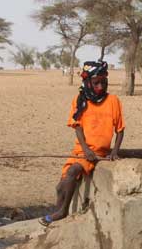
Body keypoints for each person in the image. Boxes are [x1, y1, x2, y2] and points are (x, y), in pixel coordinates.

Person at [43, 60, 124, 225]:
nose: (100, 86)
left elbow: (120, 130)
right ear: (88, 83)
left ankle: (63, 212)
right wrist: (86, 149)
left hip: (97, 153)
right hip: (82, 151)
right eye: (96, 83)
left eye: (103, 82)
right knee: (60, 186)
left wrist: (114, 152)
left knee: (73, 172)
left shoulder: (113, 101)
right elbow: (77, 127)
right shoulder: (80, 101)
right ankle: (55, 216)